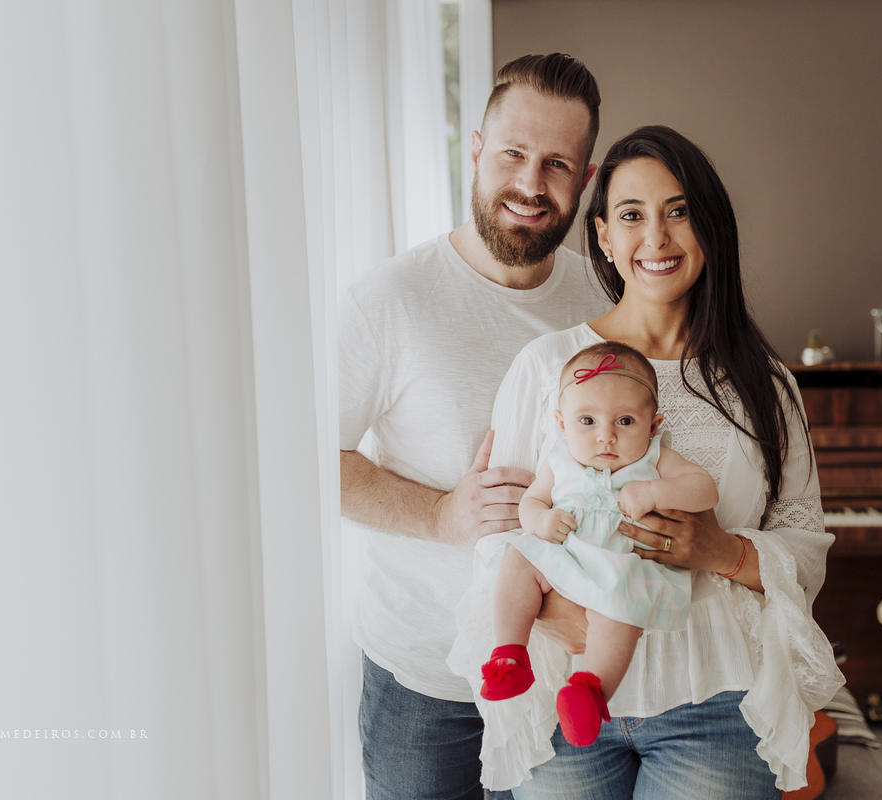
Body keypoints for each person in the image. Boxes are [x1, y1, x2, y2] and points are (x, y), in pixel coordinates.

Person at [448, 126, 845, 798]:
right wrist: (554, 615)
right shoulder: (548, 366)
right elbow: (501, 532)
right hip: (564, 703)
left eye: (679, 212)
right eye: (632, 215)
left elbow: (805, 550)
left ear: (711, 229)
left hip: (717, 704)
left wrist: (719, 551)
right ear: (603, 236)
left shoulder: (764, 385)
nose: (656, 238)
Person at [339, 53, 612, 800]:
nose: (530, 183)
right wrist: (437, 514)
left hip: (563, 678)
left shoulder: (606, 302)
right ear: (476, 151)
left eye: (557, 163)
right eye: (514, 153)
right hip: (423, 685)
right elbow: (302, 462)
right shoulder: (389, 299)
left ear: (586, 181)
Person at [480, 342, 719, 751]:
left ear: (654, 425)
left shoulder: (656, 458)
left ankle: (590, 690)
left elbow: (705, 491)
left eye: (625, 421)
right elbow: (531, 502)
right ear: (561, 423)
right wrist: (540, 519)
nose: (605, 436)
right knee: (518, 558)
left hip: (623, 563)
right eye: (587, 420)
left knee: (620, 605)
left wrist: (655, 492)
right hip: (565, 556)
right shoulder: (557, 460)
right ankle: (509, 655)